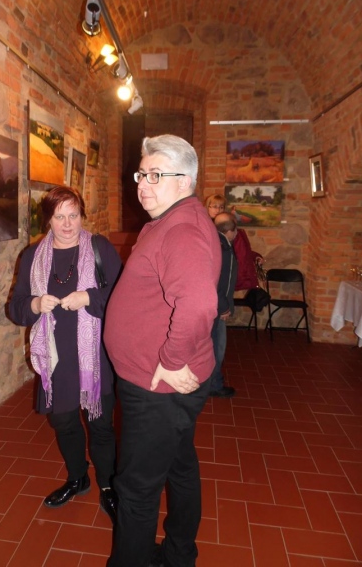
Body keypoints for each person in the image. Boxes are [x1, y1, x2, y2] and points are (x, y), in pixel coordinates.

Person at [104, 135, 221, 567]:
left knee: (136, 490)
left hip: (158, 388)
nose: (143, 184)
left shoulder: (183, 230)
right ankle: (178, 555)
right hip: (162, 386)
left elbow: (199, 304)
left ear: (184, 181)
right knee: (179, 466)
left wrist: (169, 362)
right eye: (141, 174)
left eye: (156, 175)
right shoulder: (170, 220)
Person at [8, 185, 122, 525]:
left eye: (74, 215)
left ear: (82, 216)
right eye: (60, 217)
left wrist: (90, 298)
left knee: (100, 425)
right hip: (56, 361)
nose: (68, 224)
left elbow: (123, 296)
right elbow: (16, 307)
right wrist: (33, 304)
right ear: (49, 220)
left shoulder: (100, 248)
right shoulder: (33, 256)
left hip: (95, 359)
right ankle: (78, 478)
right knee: (64, 422)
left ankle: (108, 485)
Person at [210, 212, 238, 398]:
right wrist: (224, 306)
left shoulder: (217, 242)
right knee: (217, 348)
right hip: (217, 308)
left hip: (215, 305)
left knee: (214, 346)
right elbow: (218, 281)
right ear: (231, 230)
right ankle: (214, 385)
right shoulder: (223, 248)